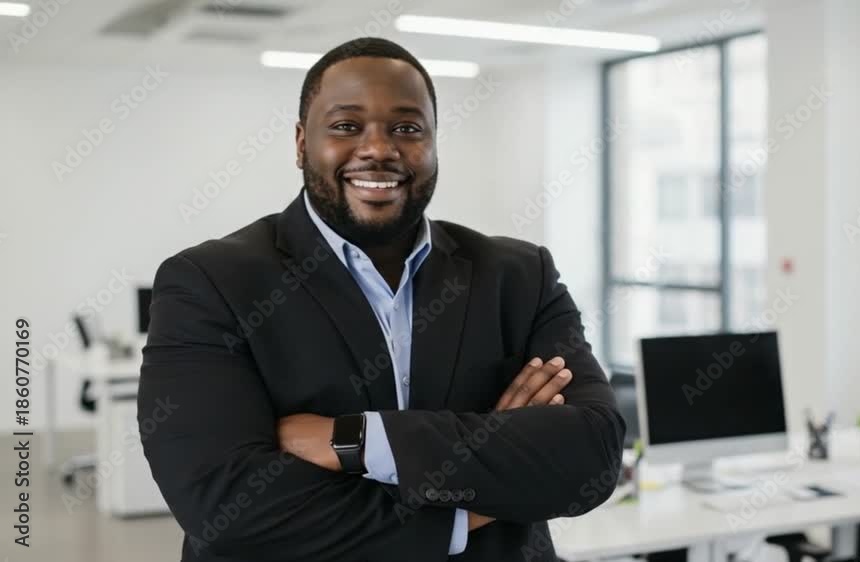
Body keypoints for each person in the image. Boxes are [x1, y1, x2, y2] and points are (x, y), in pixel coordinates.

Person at [137, 37, 624, 562]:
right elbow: (225, 504)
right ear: (301, 143)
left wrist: (357, 440)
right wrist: (475, 504)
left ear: (434, 144)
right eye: (346, 126)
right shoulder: (209, 282)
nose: (378, 149)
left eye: (407, 128)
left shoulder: (521, 275)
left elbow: (591, 457)